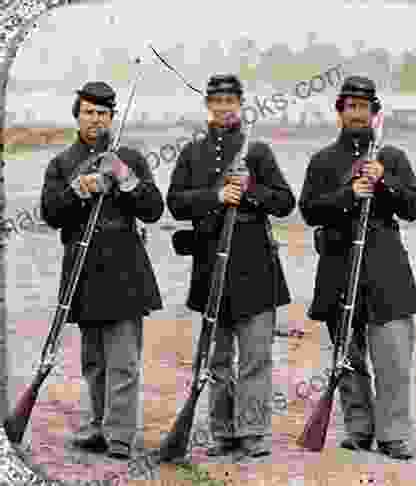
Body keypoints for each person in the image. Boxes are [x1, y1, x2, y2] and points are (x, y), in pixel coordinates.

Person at [166, 74, 295, 460]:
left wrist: (250, 190)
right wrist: (217, 196)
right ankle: (223, 432)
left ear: (240, 104)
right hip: (210, 268)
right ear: (208, 105)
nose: (224, 107)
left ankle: (253, 432)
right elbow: (174, 203)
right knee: (218, 359)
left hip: (255, 267)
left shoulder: (257, 151)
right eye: (217, 101)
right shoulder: (192, 153)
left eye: (230, 101)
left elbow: (286, 202)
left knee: (256, 357)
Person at [299, 75, 416, 460]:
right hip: (339, 264)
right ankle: (358, 428)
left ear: (374, 113)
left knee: (393, 358)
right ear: (340, 112)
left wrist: (382, 182)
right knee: (347, 358)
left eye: (363, 107)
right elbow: (308, 210)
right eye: (349, 106)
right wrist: (349, 194)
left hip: (385, 265)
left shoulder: (393, 157)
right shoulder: (322, 161)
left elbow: (414, 207)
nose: (357, 113)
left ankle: (394, 434)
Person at [40, 81, 164, 460]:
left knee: (123, 359)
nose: (96, 119)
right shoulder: (61, 164)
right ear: (77, 114)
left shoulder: (129, 157)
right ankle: (98, 425)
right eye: (89, 112)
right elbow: (50, 214)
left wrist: (125, 179)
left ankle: (120, 435)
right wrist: (77, 190)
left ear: (112, 117)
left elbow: (154, 210)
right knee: (94, 360)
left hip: (125, 268)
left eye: (104, 113)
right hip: (83, 268)